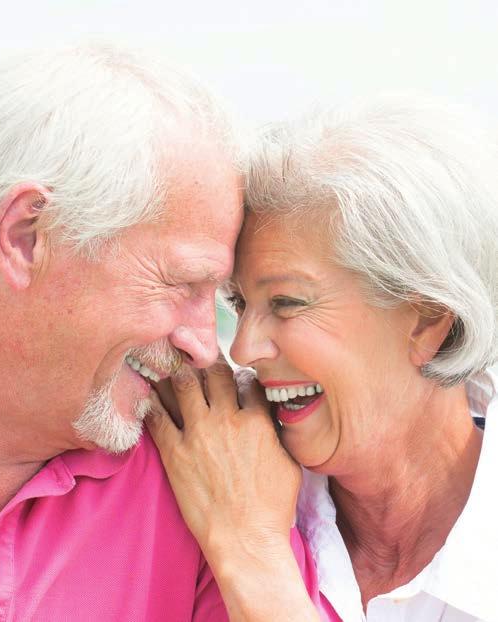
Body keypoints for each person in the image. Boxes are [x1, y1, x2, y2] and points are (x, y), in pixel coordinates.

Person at [0, 43, 261, 621]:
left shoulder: (210, 486)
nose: (204, 343)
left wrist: (255, 548)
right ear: (28, 236)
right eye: (182, 284)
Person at [148, 96, 498, 621]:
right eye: (239, 303)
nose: (242, 348)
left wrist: (252, 554)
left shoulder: (239, 524)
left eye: (287, 302)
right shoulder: (198, 471)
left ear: (429, 319)